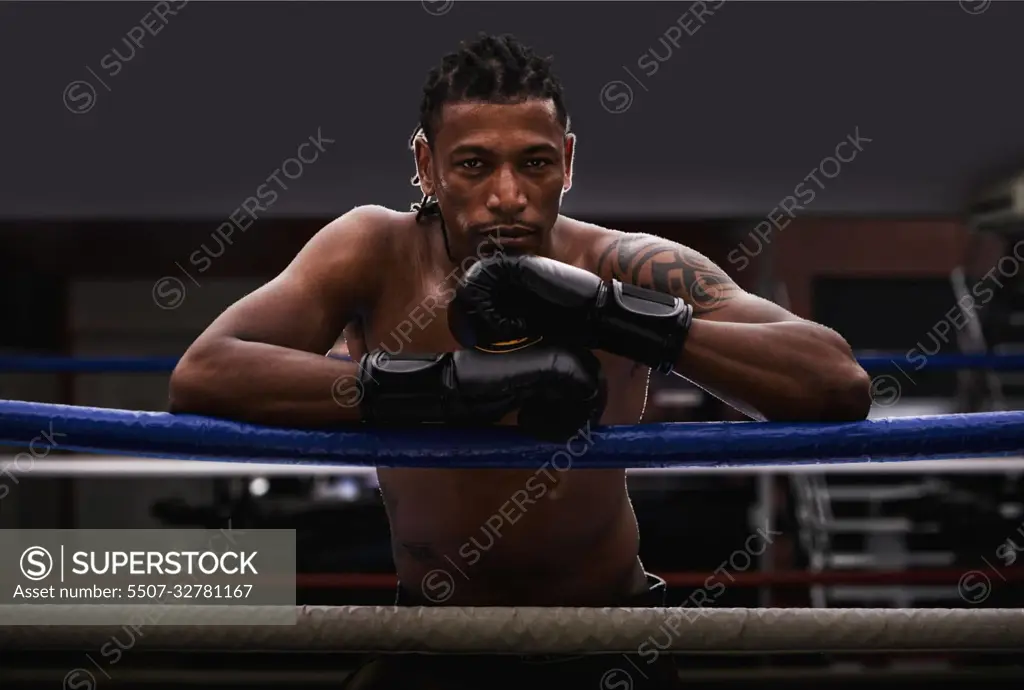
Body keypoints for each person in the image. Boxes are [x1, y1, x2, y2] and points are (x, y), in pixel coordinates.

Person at [169, 33, 872, 689]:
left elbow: (835, 381)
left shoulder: (622, 265)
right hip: (435, 639)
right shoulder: (373, 253)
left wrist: (614, 315)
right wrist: (442, 387)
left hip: (607, 636)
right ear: (426, 166)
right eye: (474, 164)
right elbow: (205, 373)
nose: (507, 196)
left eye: (534, 162)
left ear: (567, 160)